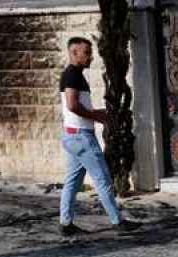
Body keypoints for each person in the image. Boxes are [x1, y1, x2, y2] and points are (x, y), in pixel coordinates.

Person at [58, 37, 139, 236]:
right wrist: (96, 116)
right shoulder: (72, 74)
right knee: (103, 180)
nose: (91, 57)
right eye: (86, 53)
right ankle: (117, 222)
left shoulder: (73, 74)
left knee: (72, 182)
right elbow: (72, 105)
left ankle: (66, 224)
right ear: (74, 53)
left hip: (72, 136)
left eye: (90, 52)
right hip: (81, 138)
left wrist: (96, 114)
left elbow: (76, 105)